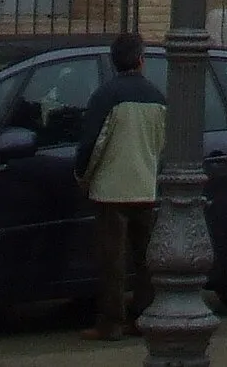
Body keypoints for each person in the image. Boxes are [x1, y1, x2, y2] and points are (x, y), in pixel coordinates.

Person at [75, 31, 167, 340]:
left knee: (112, 261)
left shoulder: (105, 96)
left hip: (110, 189)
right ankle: (142, 317)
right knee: (144, 259)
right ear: (141, 60)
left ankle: (111, 323)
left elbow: (92, 144)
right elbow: (163, 145)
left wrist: (82, 177)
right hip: (145, 187)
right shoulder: (157, 97)